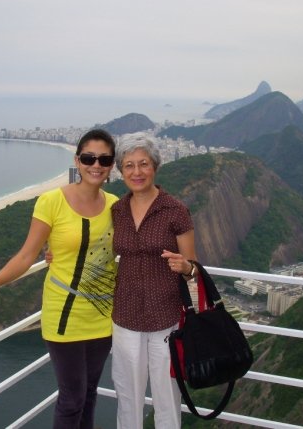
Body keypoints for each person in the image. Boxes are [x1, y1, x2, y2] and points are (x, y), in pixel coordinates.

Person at [0, 129, 118, 429]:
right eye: (89, 158)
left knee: (89, 394)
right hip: (64, 316)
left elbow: (125, 250)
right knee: (72, 399)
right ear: (77, 161)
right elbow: (25, 256)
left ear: (111, 165)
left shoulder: (114, 205)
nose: (96, 165)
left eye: (104, 159)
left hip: (102, 315)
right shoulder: (51, 201)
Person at [110, 133, 199, 429]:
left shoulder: (175, 210)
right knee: (127, 396)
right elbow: (97, 249)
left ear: (155, 167)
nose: (136, 172)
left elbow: (195, 269)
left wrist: (185, 266)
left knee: (167, 397)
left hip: (166, 318)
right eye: (129, 165)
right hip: (125, 316)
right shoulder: (117, 211)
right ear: (121, 171)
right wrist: (54, 254)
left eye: (143, 164)